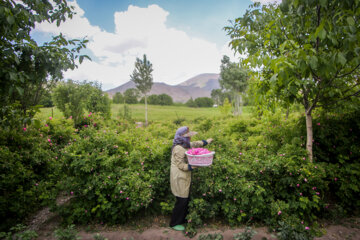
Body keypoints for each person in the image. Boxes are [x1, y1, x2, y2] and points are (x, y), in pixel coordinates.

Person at [169, 126, 213, 231]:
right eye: (188, 137)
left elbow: (194, 144)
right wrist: (191, 166)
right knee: (182, 199)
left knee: (185, 198)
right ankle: (174, 223)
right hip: (179, 176)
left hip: (183, 176)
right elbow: (180, 165)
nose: (190, 139)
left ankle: (182, 219)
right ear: (182, 137)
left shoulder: (184, 144)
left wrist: (206, 142)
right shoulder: (178, 148)